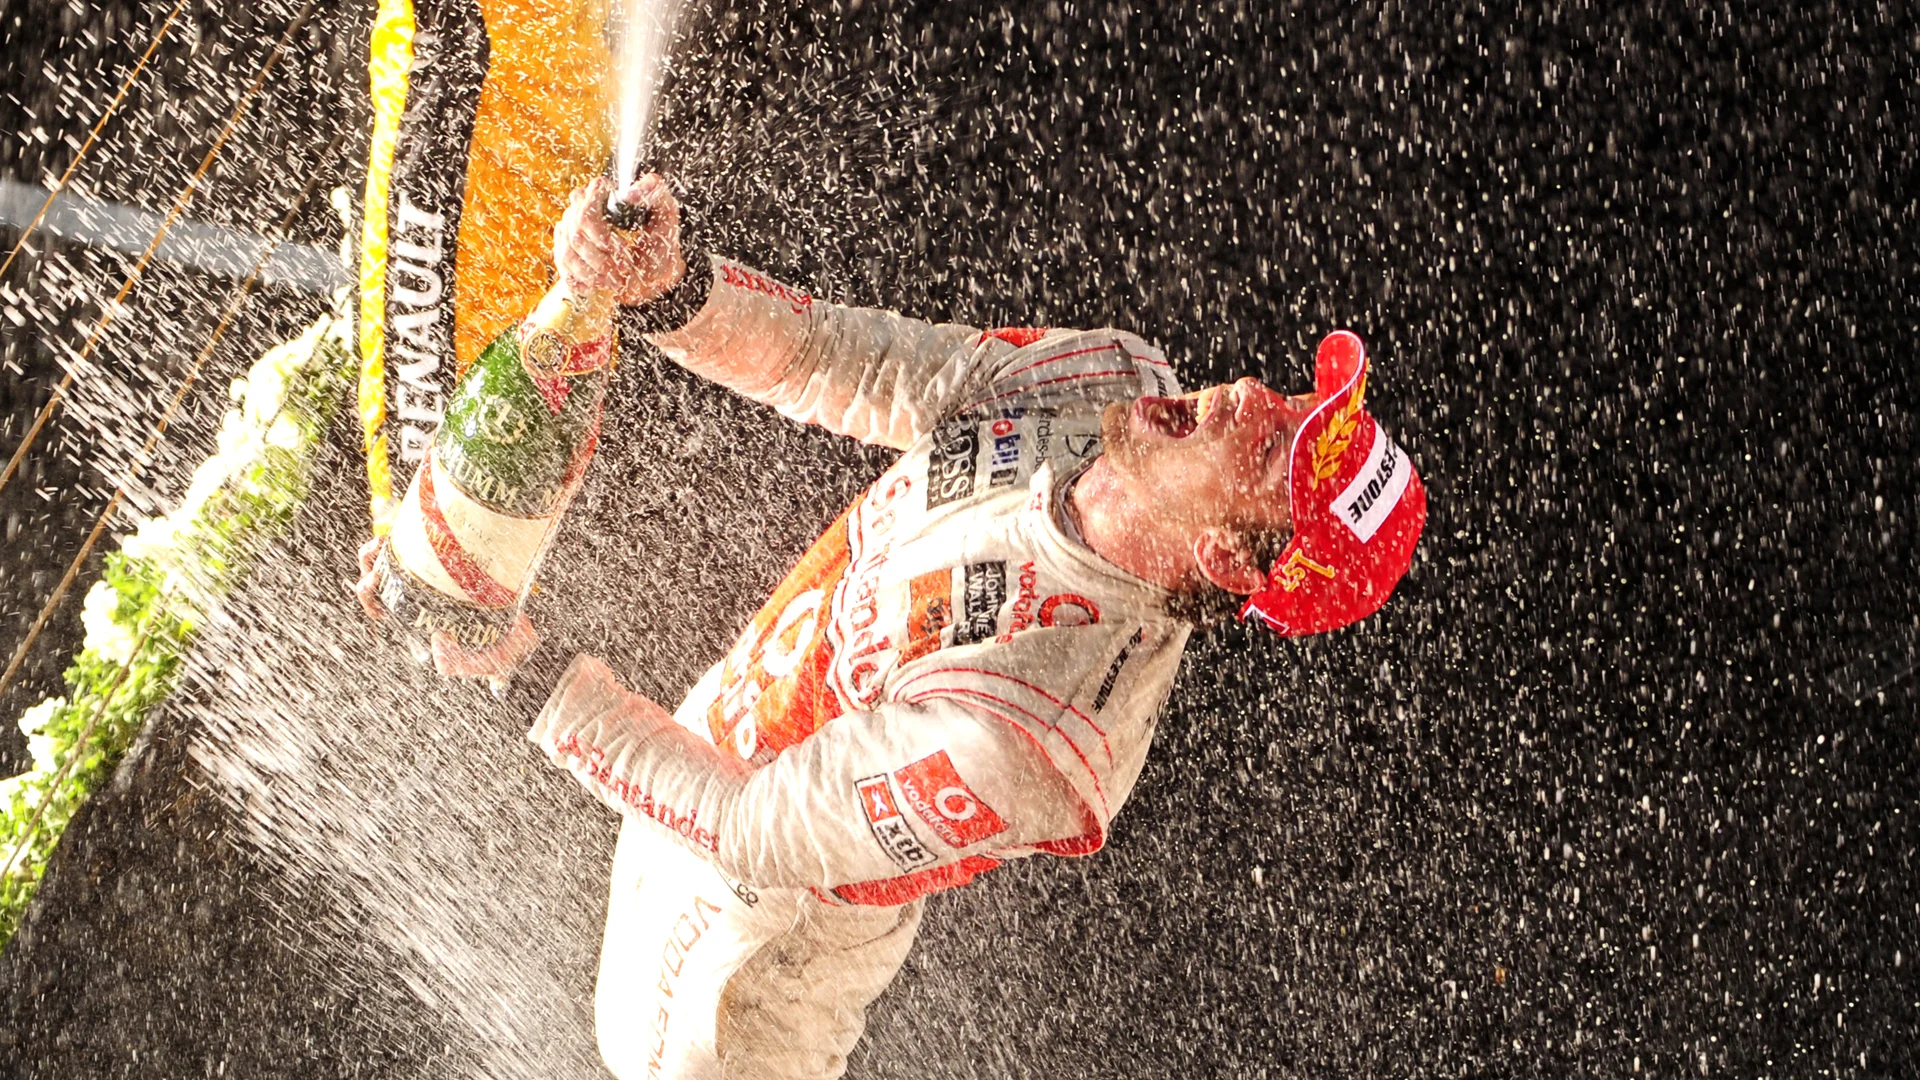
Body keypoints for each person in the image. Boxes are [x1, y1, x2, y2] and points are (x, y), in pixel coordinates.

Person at [357, 174, 1427, 1079]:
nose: (1248, 392)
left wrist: (515, 669)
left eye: (1275, 448)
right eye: (1292, 399)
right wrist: (673, 291)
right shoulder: (1108, 376)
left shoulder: (1044, 736)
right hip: (696, 752)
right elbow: (841, 363)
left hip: (747, 964)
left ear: (1229, 560)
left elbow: (750, 828)